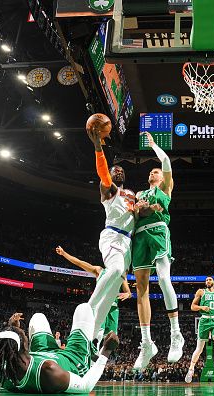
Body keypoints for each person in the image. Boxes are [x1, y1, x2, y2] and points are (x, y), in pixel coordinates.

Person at [132, 131, 183, 370]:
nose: (153, 172)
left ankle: (176, 334)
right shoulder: (139, 194)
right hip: (140, 237)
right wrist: (143, 209)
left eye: (156, 172)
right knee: (141, 289)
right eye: (150, 171)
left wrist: (153, 144)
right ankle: (146, 343)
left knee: (164, 280)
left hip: (159, 232)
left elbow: (165, 163)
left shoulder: (167, 188)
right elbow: (138, 214)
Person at [83, 126, 135, 346]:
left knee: (114, 286)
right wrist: (98, 146)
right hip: (113, 236)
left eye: (121, 170)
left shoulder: (133, 193)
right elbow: (103, 172)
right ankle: (87, 310)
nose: (119, 172)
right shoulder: (109, 189)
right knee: (112, 270)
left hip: (128, 243)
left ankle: (91, 336)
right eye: (116, 170)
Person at [0, 307, 117, 393]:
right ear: (24, 346)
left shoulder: (4, 372)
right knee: (84, 308)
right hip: (73, 358)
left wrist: (13, 329)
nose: (25, 333)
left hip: (40, 353)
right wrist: (106, 351)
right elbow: (85, 387)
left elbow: (7, 347)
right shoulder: (48, 371)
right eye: (23, 334)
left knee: (38, 317)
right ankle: (92, 352)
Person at [55, 245, 132, 349]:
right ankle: (91, 354)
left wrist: (127, 294)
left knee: (111, 338)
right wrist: (64, 253)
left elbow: (128, 292)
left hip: (113, 307)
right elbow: (79, 262)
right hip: (99, 304)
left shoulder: (121, 273)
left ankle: (101, 360)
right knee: (98, 333)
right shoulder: (99, 270)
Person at [185, 276, 214, 385]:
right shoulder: (201, 291)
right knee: (199, 349)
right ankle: (191, 369)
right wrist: (201, 308)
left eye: (209, 280)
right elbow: (192, 306)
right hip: (204, 321)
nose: (207, 281)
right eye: (206, 280)